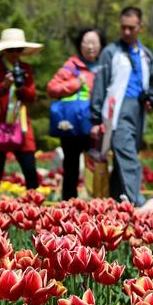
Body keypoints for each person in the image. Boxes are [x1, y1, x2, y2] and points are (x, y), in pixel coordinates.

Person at [90, 7, 153, 205]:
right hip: (116, 113)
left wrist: (151, 99)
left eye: (131, 28)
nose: (126, 32)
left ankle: (113, 204)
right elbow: (100, 85)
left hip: (138, 112)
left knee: (123, 161)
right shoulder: (110, 52)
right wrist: (95, 120)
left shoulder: (147, 54)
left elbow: (151, 83)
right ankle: (139, 205)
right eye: (123, 28)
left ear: (141, 27)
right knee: (129, 159)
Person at [0, 28, 42, 190]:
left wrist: (20, 87)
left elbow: (31, 96)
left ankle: (35, 208)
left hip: (21, 126)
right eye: (11, 49)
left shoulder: (25, 68)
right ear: (3, 50)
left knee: (30, 171)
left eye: (19, 49)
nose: (15, 53)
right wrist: (4, 86)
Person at [47, 27, 103, 200]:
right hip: (71, 126)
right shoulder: (71, 66)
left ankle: (99, 206)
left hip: (95, 125)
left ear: (101, 45)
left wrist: (101, 124)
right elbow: (52, 88)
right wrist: (75, 84)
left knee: (97, 166)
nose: (90, 46)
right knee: (70, 166)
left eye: (94, 42)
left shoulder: (105, 67)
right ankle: (69, 205)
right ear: (80, 45)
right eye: (86, 42)